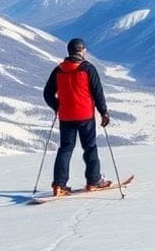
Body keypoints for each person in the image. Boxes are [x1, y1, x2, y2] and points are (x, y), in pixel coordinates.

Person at [43, 37, 112, 196]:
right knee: (90, 147)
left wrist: (57, 106)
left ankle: (59, 185)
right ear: (81, 51)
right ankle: (94, 181)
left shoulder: (59, 70)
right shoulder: (88, 69)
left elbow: (47, 93)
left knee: (65, 149)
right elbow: (98, 93)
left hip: (66, 117)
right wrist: (104, 112)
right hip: (85, 116)